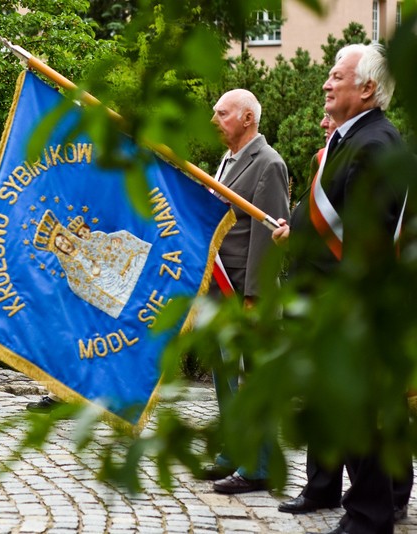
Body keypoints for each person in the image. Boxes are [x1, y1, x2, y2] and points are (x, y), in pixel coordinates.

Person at [273, 44, 412, 534]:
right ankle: (352, 499)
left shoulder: (374, 145)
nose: (326, 84)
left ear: (367, 88)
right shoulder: (349, 139)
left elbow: (367, 242)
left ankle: (372, 514)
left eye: (336, 75)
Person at [203, 89, 290, 494]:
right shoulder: (228, 160)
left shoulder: (268, 163)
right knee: (226, 376)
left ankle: (259, 467)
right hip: (223, 288)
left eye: (222, 113)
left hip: (246, 290)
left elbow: (267, 231)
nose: (214, 119)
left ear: (247, 119)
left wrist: (254, 293)